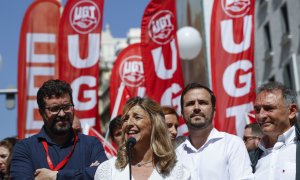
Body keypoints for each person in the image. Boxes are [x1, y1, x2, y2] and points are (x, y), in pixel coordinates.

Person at [10, 79, 107, 179]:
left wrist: (57, 176)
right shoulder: (25, 148)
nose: (62, 114)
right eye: (54, 109)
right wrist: (84, 174)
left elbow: (104, 175)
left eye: (66, 107)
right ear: (41, 113)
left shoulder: (91, 144)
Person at [94, 97, 190, 180]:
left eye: (137, 117)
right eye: (125, 119)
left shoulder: (175, 170)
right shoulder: (108, 169)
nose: (129, 123)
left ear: (154, 124)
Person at [176, 82, 253, 180]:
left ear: (214, 111)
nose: (196, 108)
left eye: (202, 102)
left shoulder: (232, 144)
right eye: (190, 104)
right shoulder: (176, 154)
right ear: (182, 113)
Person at [251, 81, 298, 179]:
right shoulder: (251, 158)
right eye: (257, 110)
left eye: (269, 108)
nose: (261, 115)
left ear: (292, 111)